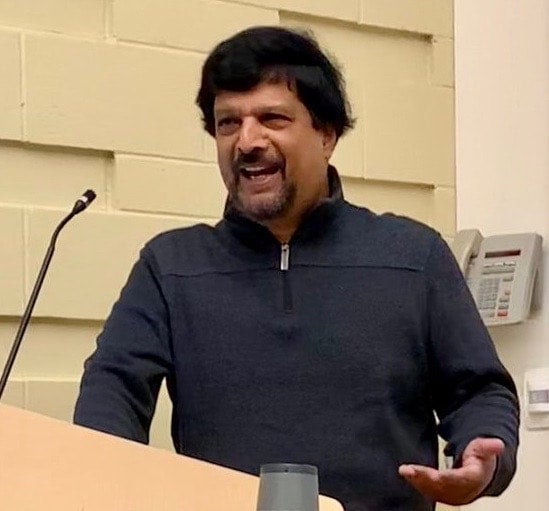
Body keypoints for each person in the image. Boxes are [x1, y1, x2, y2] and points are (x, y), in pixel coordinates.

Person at [74, 26, 519, 511]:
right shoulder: (170, 266)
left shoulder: (414, 257)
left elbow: (478, 389)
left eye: (272, 118)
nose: (247, 141)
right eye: (228, 123)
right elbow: (113, 385)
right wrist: (101, 470)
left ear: (326, 135)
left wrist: (484, 454)